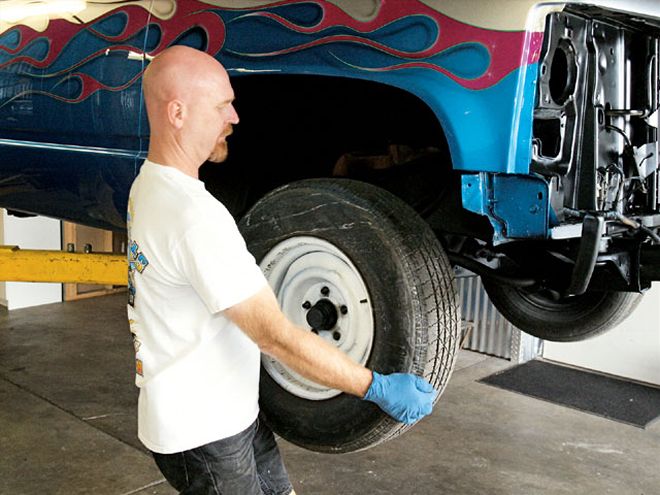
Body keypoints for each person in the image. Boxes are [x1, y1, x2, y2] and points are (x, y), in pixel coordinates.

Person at [126, 45, 437, 495]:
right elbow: (274, 335)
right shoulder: (194, 217)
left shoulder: (150, 183)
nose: (234, 118)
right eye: (221, 106)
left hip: (228, 412)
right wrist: (374, 386)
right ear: (177, 112)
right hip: (202, 433)